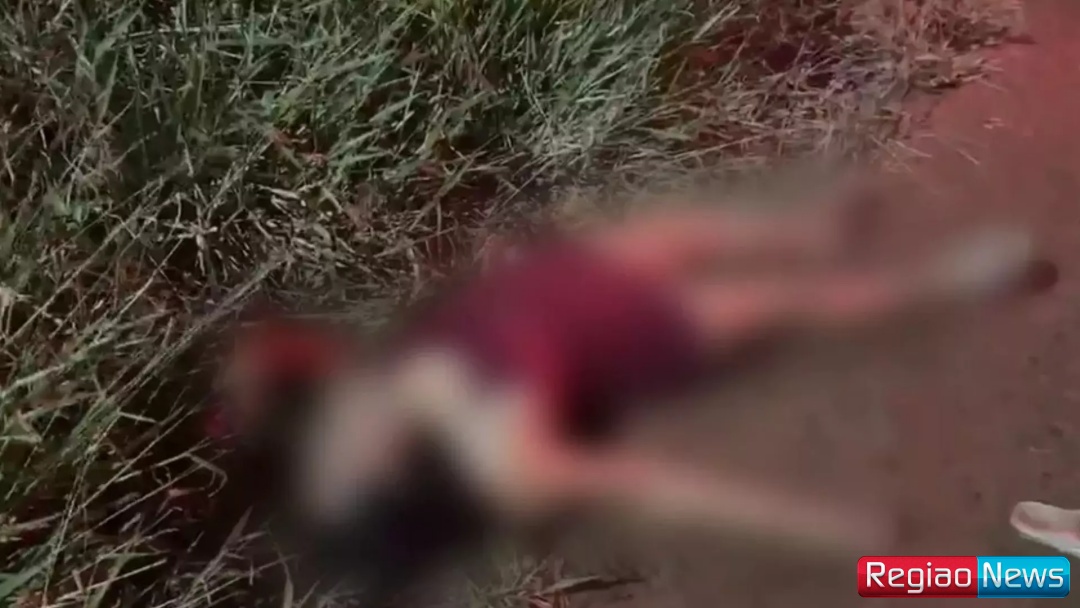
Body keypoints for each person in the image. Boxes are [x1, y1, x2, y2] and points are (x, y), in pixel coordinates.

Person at [213, 198, 1046, 600]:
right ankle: (992, 567)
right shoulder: (465, 451)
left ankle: (829, 243)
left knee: (693, 255)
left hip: (539, 342)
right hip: (565, 374)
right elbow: (657, 490)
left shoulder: (377, 399)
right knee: (769, 310)